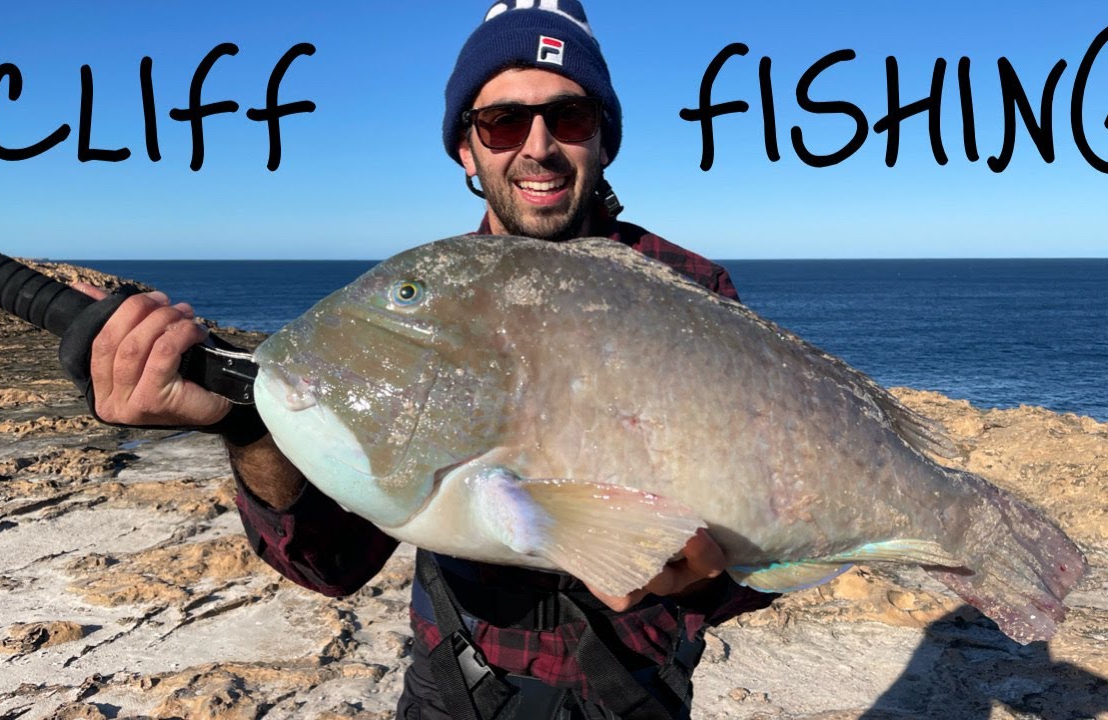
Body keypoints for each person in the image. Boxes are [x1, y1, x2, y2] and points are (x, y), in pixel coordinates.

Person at [71, 2, 773, 717]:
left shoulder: (693, 293)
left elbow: (774, 532)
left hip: (637, 695)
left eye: (569, 118)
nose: (537, 147)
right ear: (465, 148)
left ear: (603, 138)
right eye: (502, 122)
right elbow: (329, 563)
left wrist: (705, 582)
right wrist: (246, 428)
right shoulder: (418, 307)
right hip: (456, 692)